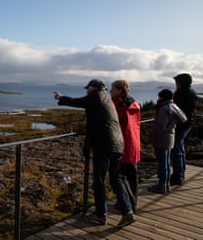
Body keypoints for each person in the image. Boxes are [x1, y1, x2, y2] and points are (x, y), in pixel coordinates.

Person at [54, 79, 134, 228]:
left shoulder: (95, 96)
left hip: (103, 145)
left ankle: (100, 215)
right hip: (118, 144)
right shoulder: (107, 99)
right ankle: (127, 211)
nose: (87, 91)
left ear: (92, 88)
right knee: (116, 179)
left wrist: (60, 97)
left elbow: (75, 102)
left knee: (99, 180)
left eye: (88, 88)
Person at [148, 89, 187, 194]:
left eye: (159, 96)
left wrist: (152, 137)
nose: (157, 99)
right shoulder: (173, 106)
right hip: (170, 137)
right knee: (166, 162)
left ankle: (162, 185)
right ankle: (166, 184)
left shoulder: (164, 109)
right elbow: (183, 118)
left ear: (162, 97)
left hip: (162, 139)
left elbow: (160, 126)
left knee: (162, 163)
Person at [110, 80, 141, 212]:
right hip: (134, 142)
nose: (110, 91)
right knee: (132, 175)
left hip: (123, 144)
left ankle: (127, 206)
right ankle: (132, 203)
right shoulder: (134, 104)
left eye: (113, 88)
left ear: (119, 90)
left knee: (120, 177)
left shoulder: (119, 104)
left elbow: (115, 122)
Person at [170, 73, 197, 186]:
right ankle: (181, 172)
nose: (176, 84)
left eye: (177, 81)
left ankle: (178, 176)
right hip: (186, 124)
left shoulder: (182, 94)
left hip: (181, 124)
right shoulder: (191, 93)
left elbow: (176, 109)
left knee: (176, 149)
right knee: (180, 148)